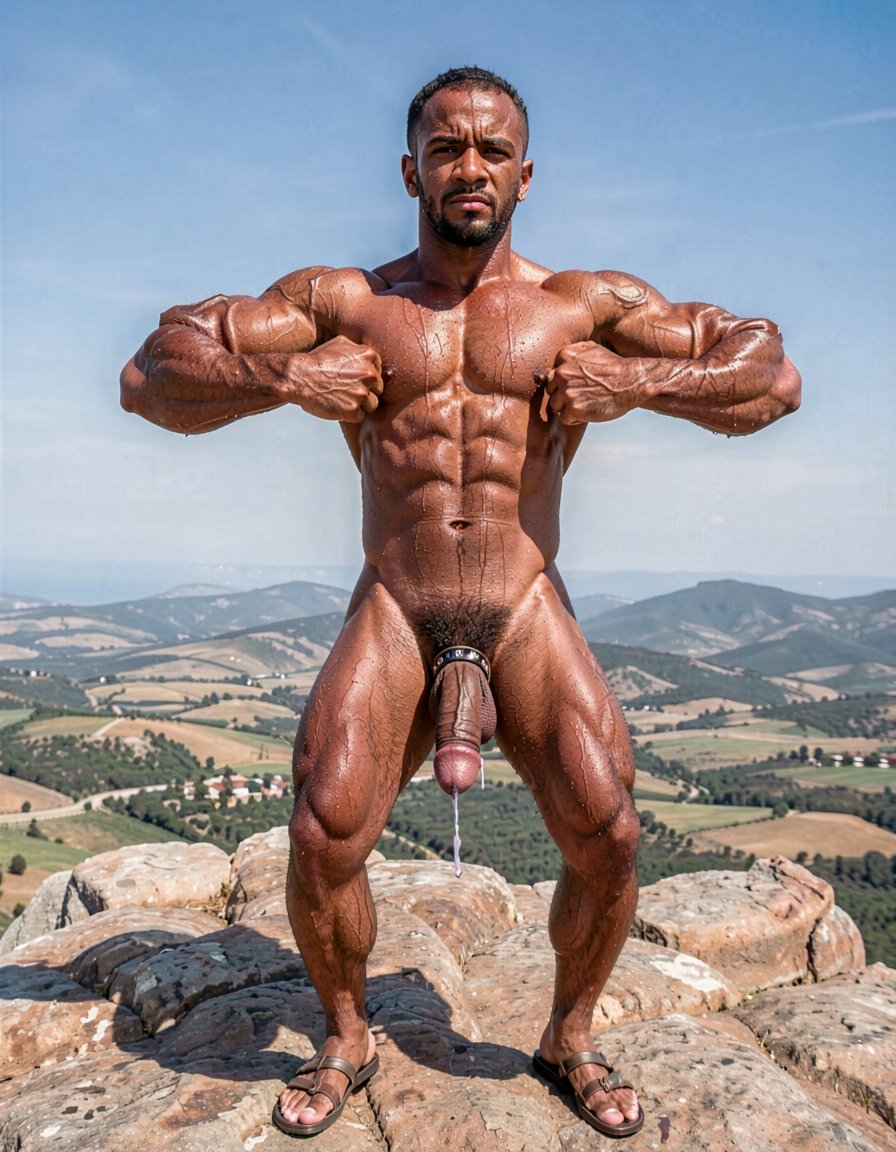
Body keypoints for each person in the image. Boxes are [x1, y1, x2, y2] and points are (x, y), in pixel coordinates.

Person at [121, 66, 800, 1139]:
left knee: (609, 831)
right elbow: (153, 371)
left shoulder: (583, 305)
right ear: (410, 169)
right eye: (447, 149)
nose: (469, 167)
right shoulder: (344, 302)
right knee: (321, 830)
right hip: (397, 599)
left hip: (522, 600)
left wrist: (639, 384)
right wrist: (287, 381)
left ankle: (566, 1037)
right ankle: (344, 1038)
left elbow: (767, 374)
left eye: (490, 150)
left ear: (524, 173)